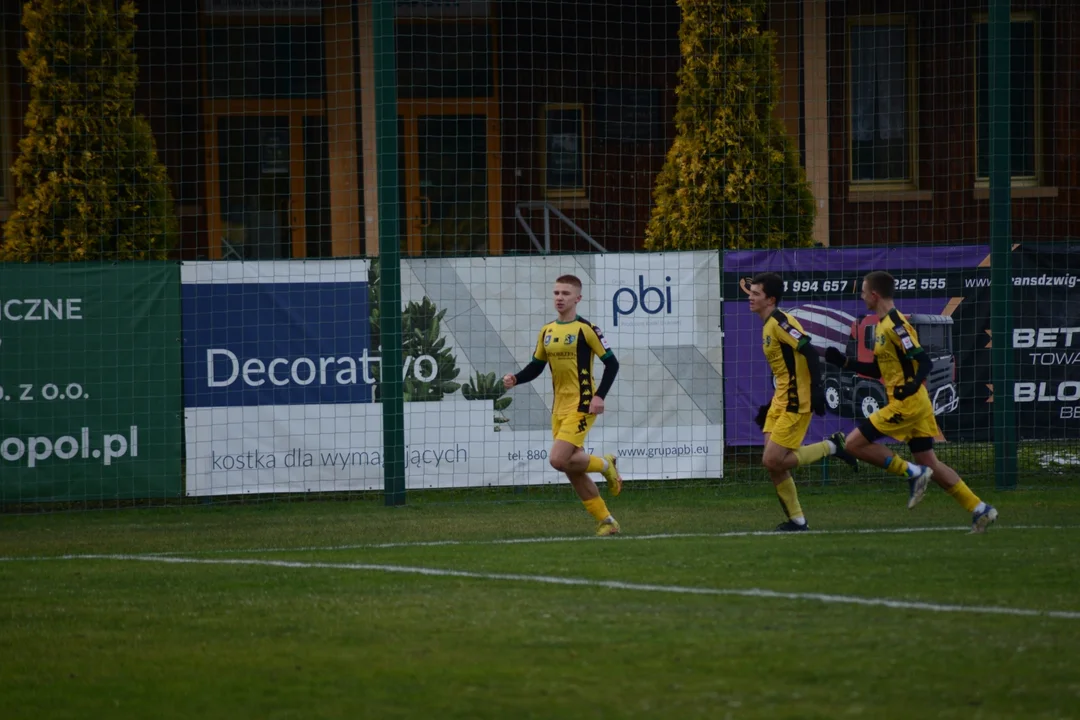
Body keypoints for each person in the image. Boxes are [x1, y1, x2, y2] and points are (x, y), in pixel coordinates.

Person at [825, 271, 998, 533]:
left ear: (874, 294)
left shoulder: (897, 325)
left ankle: (912, 473)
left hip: (908, 404)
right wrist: (845, 363)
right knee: (930, 463)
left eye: (862, 292)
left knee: (852, 443)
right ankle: (980, 509)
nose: (861, 297)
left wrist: (912, 385)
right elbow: (877, 371)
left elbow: (924, 361)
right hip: (913, 404)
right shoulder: (882, 325)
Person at [503, 274, 624, 536]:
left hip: (583, 404)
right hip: (558, 407)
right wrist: (516, 378)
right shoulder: (547, 331)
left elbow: (612, 363)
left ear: (578, 298)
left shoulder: (587, 329)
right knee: (571, 468)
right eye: (556, 293)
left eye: (565, 294)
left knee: (558, 460)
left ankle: (606, 465)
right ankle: (607, 522)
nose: (559, 298)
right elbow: (536, 367)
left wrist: (599, 396)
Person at [747, 272, 859, 532]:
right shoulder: (767, 324)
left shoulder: (781, 322)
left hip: (796, 401)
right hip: (780, 400)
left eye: (756, 294)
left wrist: (817, 389)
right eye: (750, 293)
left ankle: (832, 446)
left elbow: (809, 350)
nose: (750, 298)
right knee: (773, 464)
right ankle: (797, 521)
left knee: (772, 461)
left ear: (771, 299)